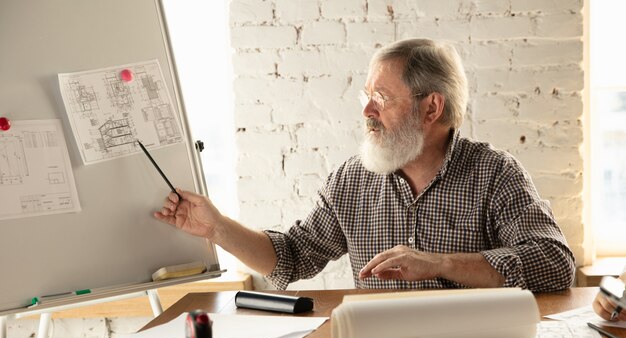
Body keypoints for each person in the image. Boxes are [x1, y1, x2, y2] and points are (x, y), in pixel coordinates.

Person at [155, 38, 575, 292]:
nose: (367, 111)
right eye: (366, 96)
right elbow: (291, 257)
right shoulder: (353, 178)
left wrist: (439, 263)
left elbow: (555, 265)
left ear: (431, 108)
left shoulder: (495, 173)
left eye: (383, 98)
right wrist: (217, 228)